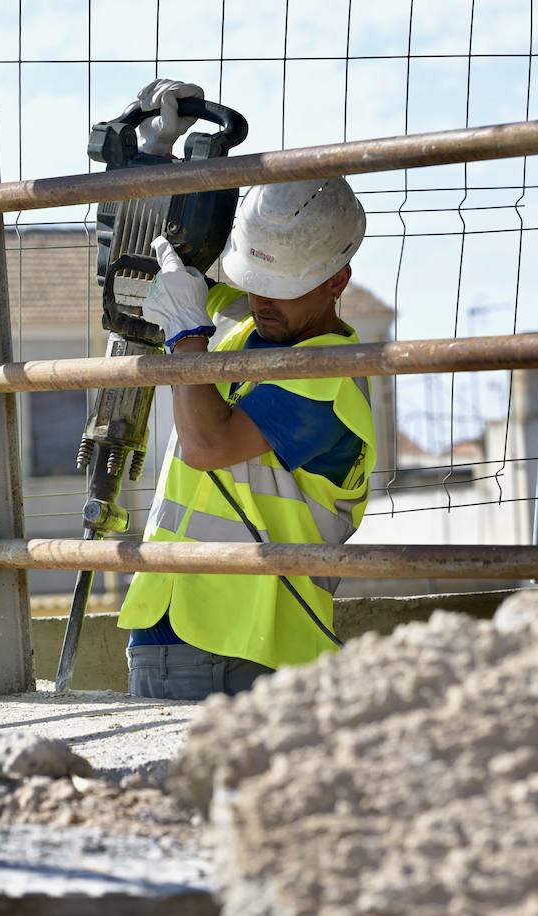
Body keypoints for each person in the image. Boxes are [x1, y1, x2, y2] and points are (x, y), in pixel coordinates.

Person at [116, 80, 375, 701]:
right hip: (168, 621)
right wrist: (155, 167)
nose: (259, 297)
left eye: (279, 285)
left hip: (251, 647)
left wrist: (186, 338)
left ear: (338, 280)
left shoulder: (329, 373)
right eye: (251, 278)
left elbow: (208, 443)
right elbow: (133, 284)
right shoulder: (241, 317)